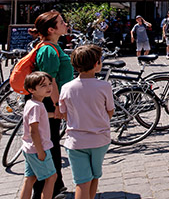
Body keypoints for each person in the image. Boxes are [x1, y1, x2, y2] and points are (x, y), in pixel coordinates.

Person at [59, 45, 114, 199]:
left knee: (82, 182)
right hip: (99, 139)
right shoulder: (104, 86)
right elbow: (110, 110)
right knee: (94, 177)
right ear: (97, 64)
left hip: (76, 141)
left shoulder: (66, 88)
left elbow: (63, 113)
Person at [29, 10, 71, 199]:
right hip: (47, 104)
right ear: (52, 29)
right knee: (48, 144)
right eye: (61, 22)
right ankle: (47, 190)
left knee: (52, 143)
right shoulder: (48, 49)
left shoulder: (53, 46)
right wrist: (56, 104)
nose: (65, 24)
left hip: (50, 102)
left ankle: (55, 186)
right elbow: (49, 81)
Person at [19, 72, 57, 199]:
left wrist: (55, 115)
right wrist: (40, 150)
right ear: (31, 90)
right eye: (43, 85)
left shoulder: (32, 103)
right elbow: (33, 130)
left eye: (50, 84)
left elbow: (41, 118)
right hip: (38, 148)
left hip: (29, 148)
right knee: (51, 177)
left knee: (30, 178)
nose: (48, 88)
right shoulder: (36, 106)